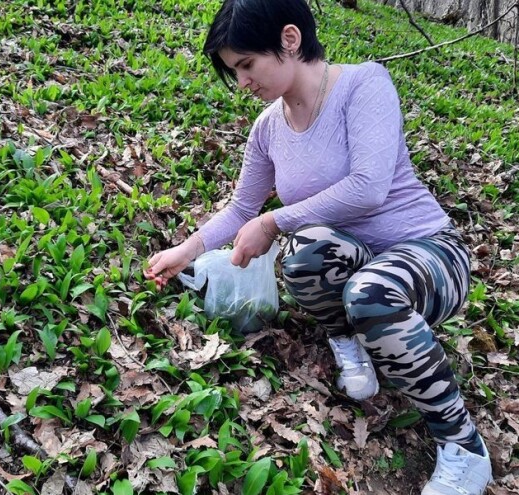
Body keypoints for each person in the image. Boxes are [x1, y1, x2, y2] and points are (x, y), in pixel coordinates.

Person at [143, 0, 491, 493]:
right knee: (304, 253)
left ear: (289, 39)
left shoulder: (364, 85)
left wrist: (274, 221)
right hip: (358, 259)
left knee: (368, 290)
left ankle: (463, 445)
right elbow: (242, 208)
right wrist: (186, 250)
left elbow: (369, 187)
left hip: (429, 252)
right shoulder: (268, 127)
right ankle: (350, 341)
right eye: (234, 71)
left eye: (247, 64)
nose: (242, 82)